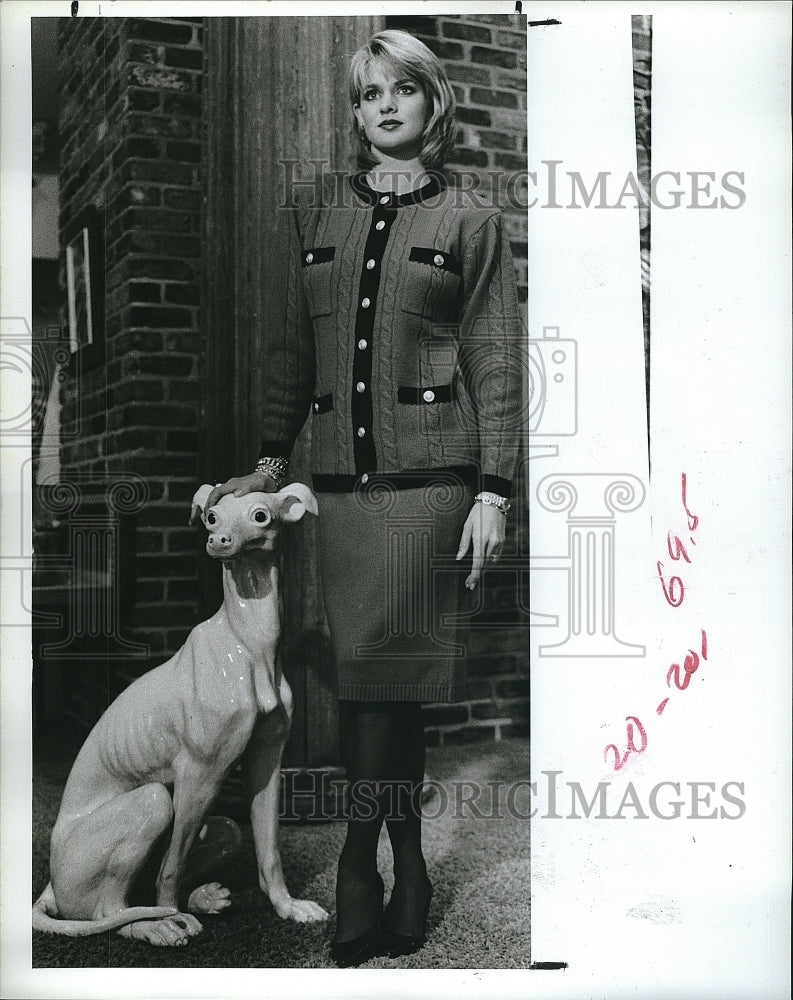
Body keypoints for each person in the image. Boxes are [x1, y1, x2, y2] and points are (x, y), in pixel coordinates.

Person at [203, 29, 523, 966]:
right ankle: (411, 860)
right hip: (337, 487)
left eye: (400, 91)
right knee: (380, 693)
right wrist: (266, 465)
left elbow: (495, 361)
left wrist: (493, 491)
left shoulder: (471, 219)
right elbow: (286, 356)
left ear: (432, 103)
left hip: (431, 487)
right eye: (365, 95)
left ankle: (356, 863)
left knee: (383, 681)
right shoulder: (311, 212)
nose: (380, 107)